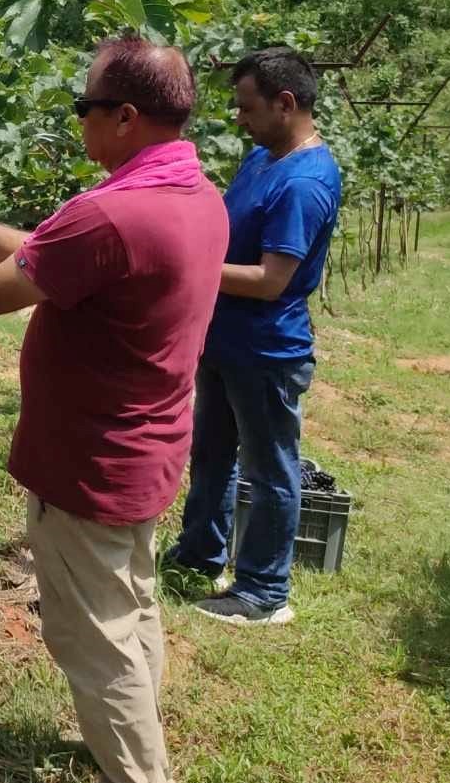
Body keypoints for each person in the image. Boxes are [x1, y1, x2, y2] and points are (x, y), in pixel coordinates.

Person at [0, 37, 227, 783]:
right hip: (148, 454)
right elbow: (54, 254)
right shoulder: (194, 193)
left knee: (95, 644)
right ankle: (126, 747)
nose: (80, 121)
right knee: (130, 610)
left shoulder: (110, 213)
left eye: (84, 107)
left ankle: (138, 772)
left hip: (89, 466)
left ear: (125, 116)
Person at [166, 48, 341, 626]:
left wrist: (183, 265)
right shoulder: (265, 160)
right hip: (227, 342)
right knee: (213, 455)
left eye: (247, 107)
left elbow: (271, 281)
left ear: (285, 104)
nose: (238, 118)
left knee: (270, 470)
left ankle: (264, 591)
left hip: (266, 352)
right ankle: (199, 555)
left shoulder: (304, 183)